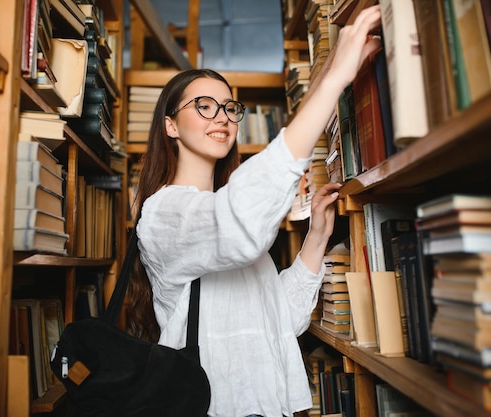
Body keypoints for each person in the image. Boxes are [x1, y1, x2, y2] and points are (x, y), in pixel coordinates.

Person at [127, 5, 382, 416]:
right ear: (171, 125)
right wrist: (334, 78)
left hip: (268, 404)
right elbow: (237, 225)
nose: (223, 117)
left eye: (230, 108)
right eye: (204, 106)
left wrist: (317, 237)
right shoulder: (163, 214)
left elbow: (282, 322)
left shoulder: (220, 212)